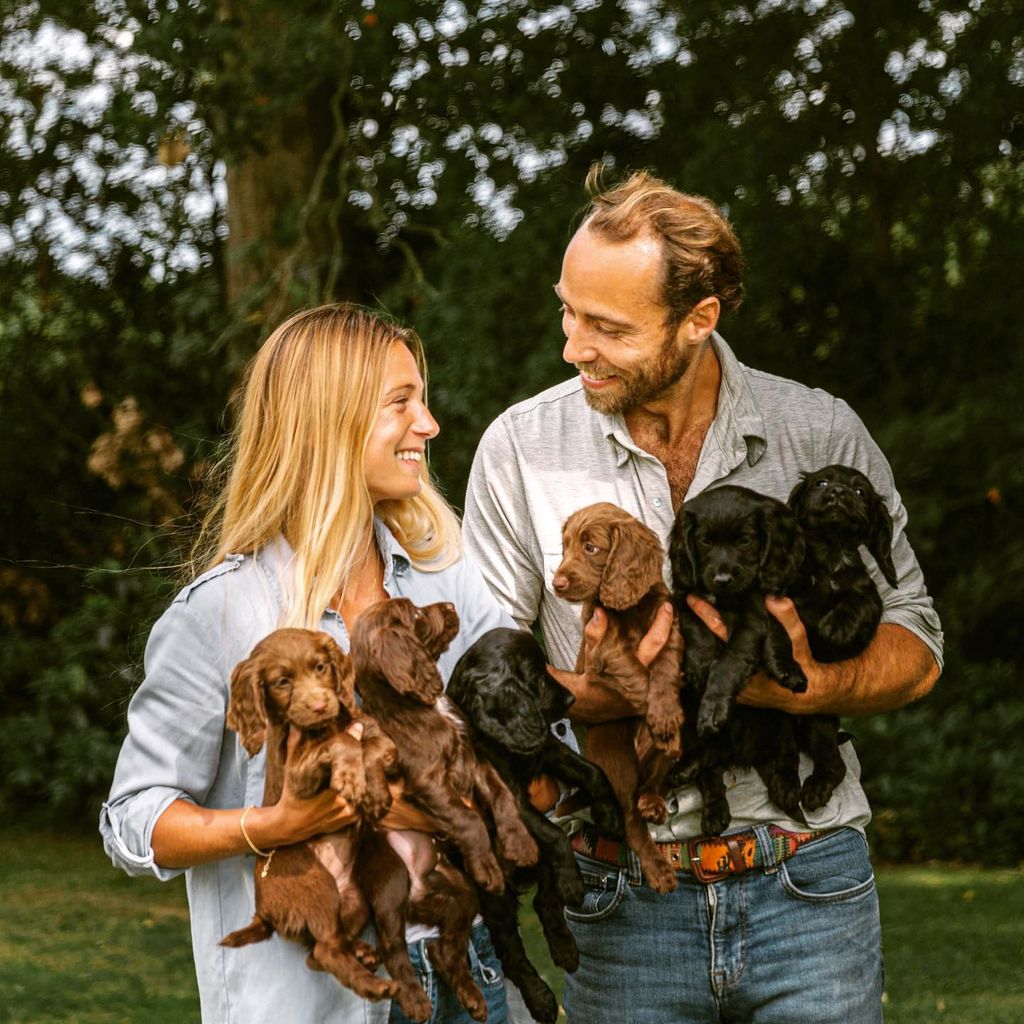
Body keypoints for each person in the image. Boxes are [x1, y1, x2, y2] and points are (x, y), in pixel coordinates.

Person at [463, 168, 944, 1024]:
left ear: (699, 320)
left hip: (809, 880)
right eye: (568, 311)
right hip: (621, 894)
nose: (574, 346)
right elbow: (482, 674)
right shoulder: (519, 447)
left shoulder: (817, 430)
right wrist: (619, 694)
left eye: (607, 327)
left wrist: (797, 682)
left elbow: (917, 642)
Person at [100, 304, 516, 1024]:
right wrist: (275, 824)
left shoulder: (449, 585)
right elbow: (135, 818)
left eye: (424, 400)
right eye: (402, 404)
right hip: (316, 998)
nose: (429, 425)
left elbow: (527, 756)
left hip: (464, 968)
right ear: (330, 423)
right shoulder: (220, 614)